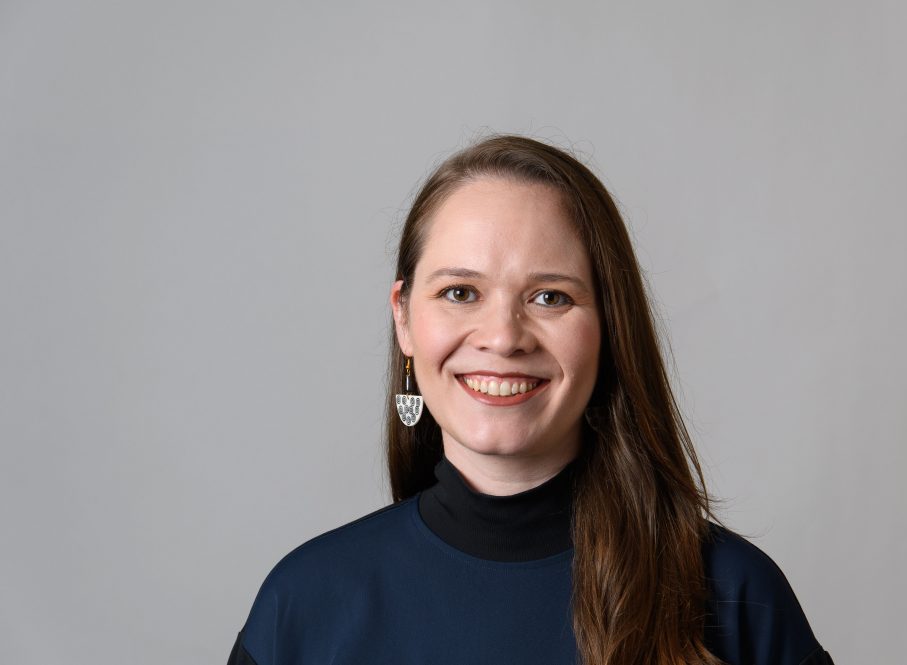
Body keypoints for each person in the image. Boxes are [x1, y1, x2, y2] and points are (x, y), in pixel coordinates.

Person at [226, 136, 834, 665]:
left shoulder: (734, 597)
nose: (503, 338)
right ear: (404, 318)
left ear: (610, 327)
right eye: (460, 292)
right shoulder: (301, 605)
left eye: (550, 297)